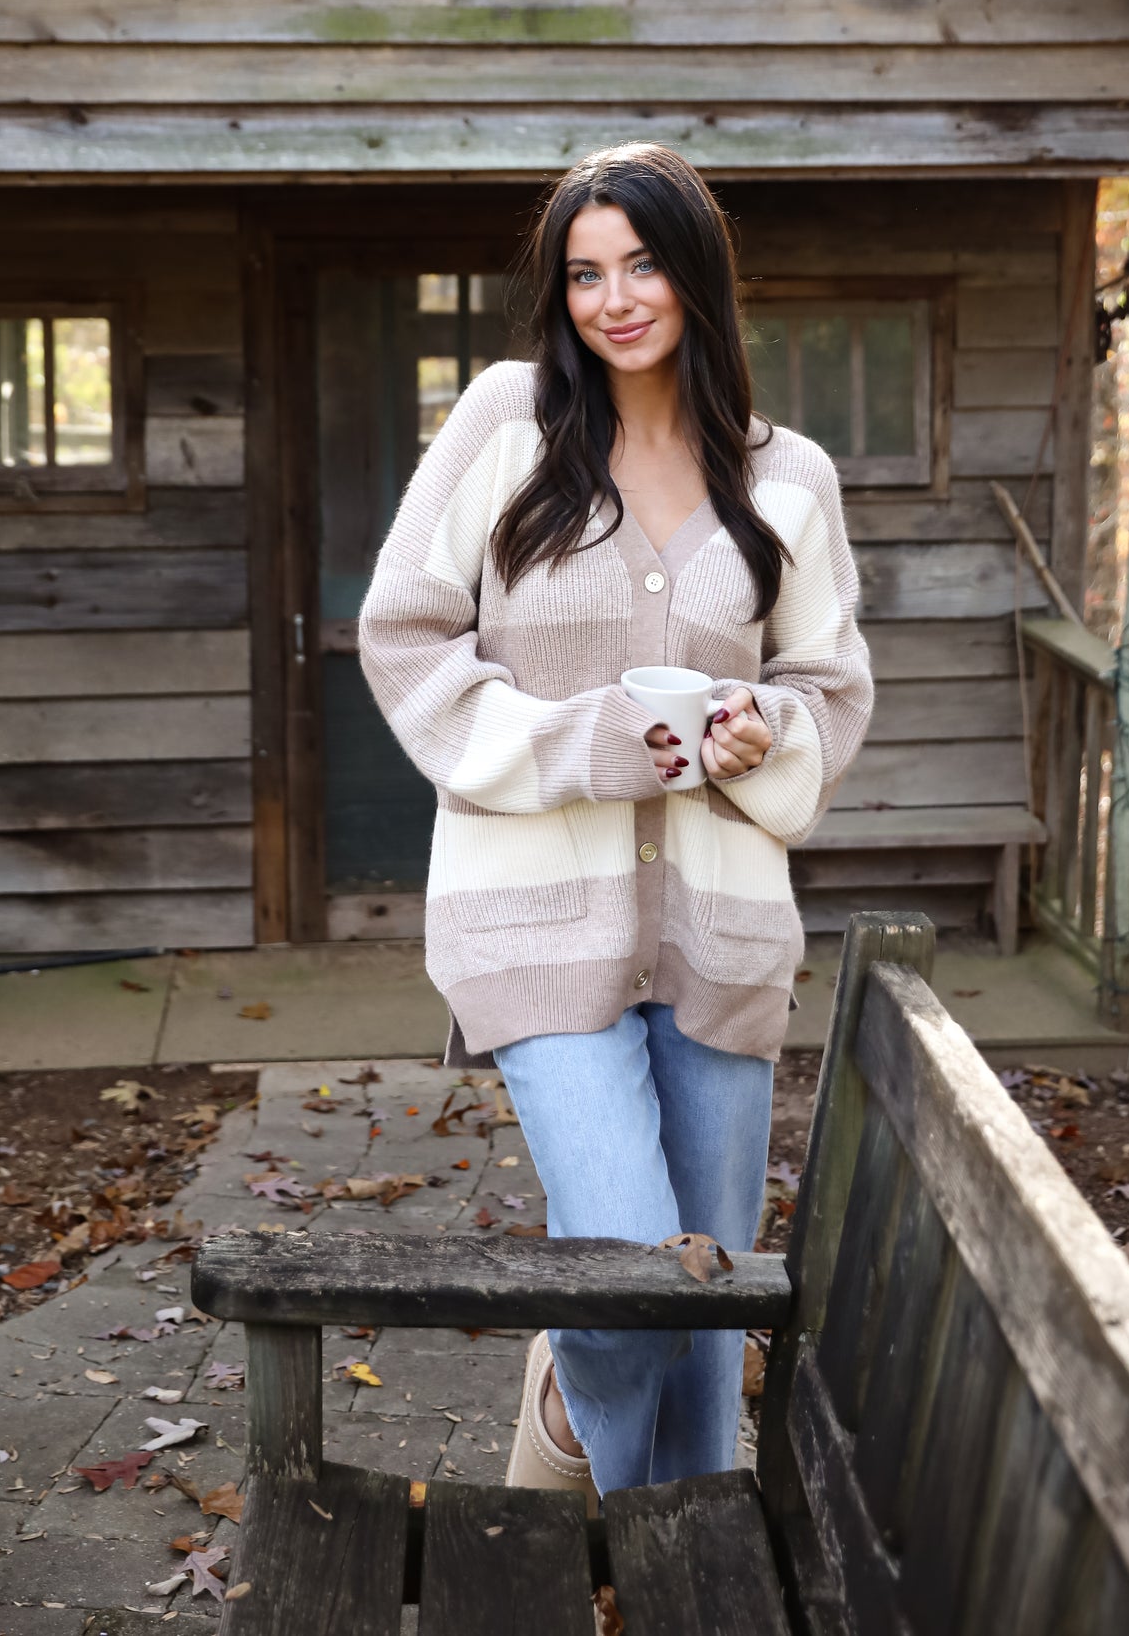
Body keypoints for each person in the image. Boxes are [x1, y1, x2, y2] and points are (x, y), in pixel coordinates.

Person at [359, 142, 873, 1506]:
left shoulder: (789, 481)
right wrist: (583, 743)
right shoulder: (504, 424)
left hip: (724, 932)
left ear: (696, 271)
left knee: (705, 1315)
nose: (614, 297)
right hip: (532, 922)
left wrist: (769, 735)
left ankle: (671, 1581)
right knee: (631, 1269)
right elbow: (404, 636)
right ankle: (564, 1423)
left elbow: (830, 684)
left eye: (642, 262)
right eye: (585, 272)